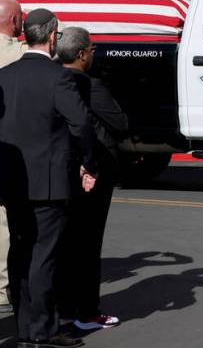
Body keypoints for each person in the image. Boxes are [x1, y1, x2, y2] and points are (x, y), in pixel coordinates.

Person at [0, 8, 98, 347]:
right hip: (50, 182)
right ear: (53, 36)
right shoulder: (58, 78)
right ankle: (42, 329)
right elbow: (81, 124)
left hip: (12, 180)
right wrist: (88, 162)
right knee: (44, 256)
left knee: (20, 252)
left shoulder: (6, 75)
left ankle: (26, 326)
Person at [55, 28, 128, 330]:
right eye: (93, 49)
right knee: (88, 242)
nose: (95, 54)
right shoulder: (89, 85)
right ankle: (86, 311)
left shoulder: (52, 80)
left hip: (59, 170)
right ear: (82, 53)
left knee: (63, 243)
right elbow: (120, 122)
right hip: (92, 170)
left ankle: (63, 308)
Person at [0, 0, 26, 316]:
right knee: (4, 221)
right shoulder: (14, 53)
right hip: (6, 145)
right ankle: (3, 285)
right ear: (15, 22)